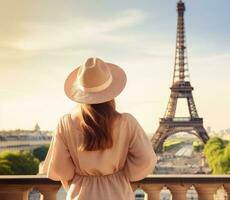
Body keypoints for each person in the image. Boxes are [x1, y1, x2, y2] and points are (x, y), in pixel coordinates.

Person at [41, 57, 157, 200]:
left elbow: (60, 169)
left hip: (81, 193)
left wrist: (80, 179)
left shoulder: (66, 123)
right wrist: (123, 175)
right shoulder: (127, 122)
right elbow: (146, 160)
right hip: (118, 192)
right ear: (111, 91)